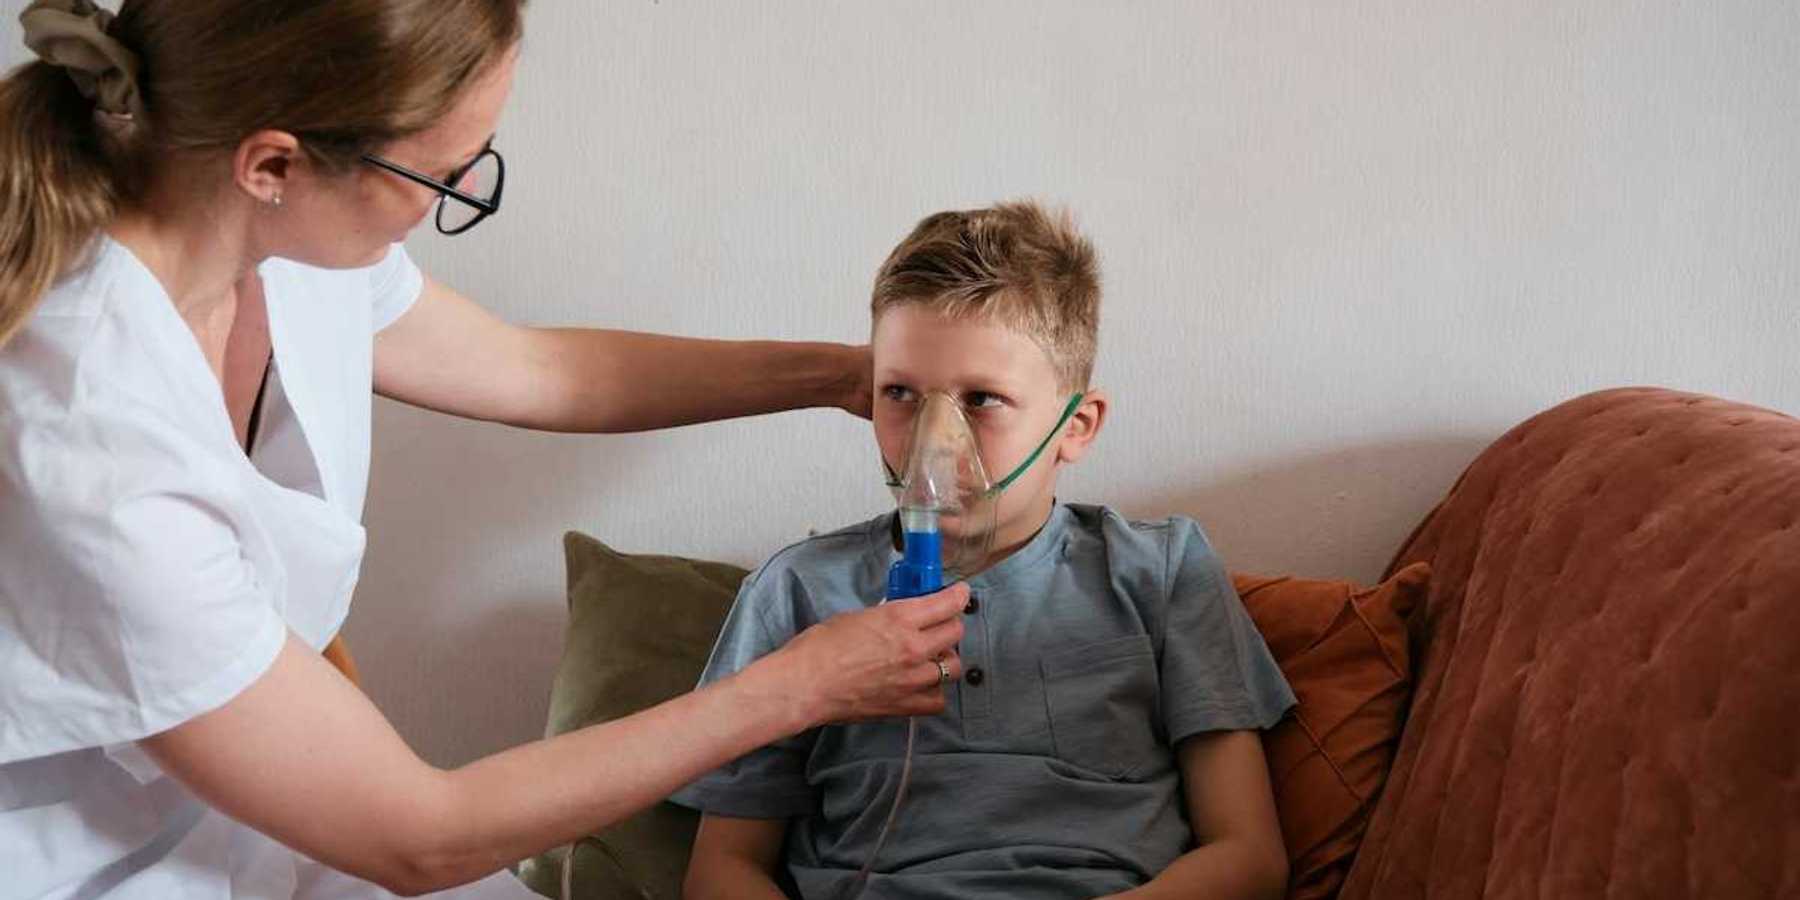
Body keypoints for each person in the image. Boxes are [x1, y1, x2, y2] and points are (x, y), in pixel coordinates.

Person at [0, 2, 971, 897]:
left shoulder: (277, 246)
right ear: (273, 165)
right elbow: (420, 837)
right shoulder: (91, 446)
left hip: (261, 826)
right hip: (87, 860)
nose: (461, 186)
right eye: (440, 172)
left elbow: (542, 372)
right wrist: (796, 687)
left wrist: (845, 374)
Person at [674, 201, 1297, 899]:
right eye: (901, 394)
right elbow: (721, 871)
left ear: (1077, 425)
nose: (934, 443)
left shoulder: (1161, 571)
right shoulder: (799, 592)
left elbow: (1248, 856)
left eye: (982, 401)